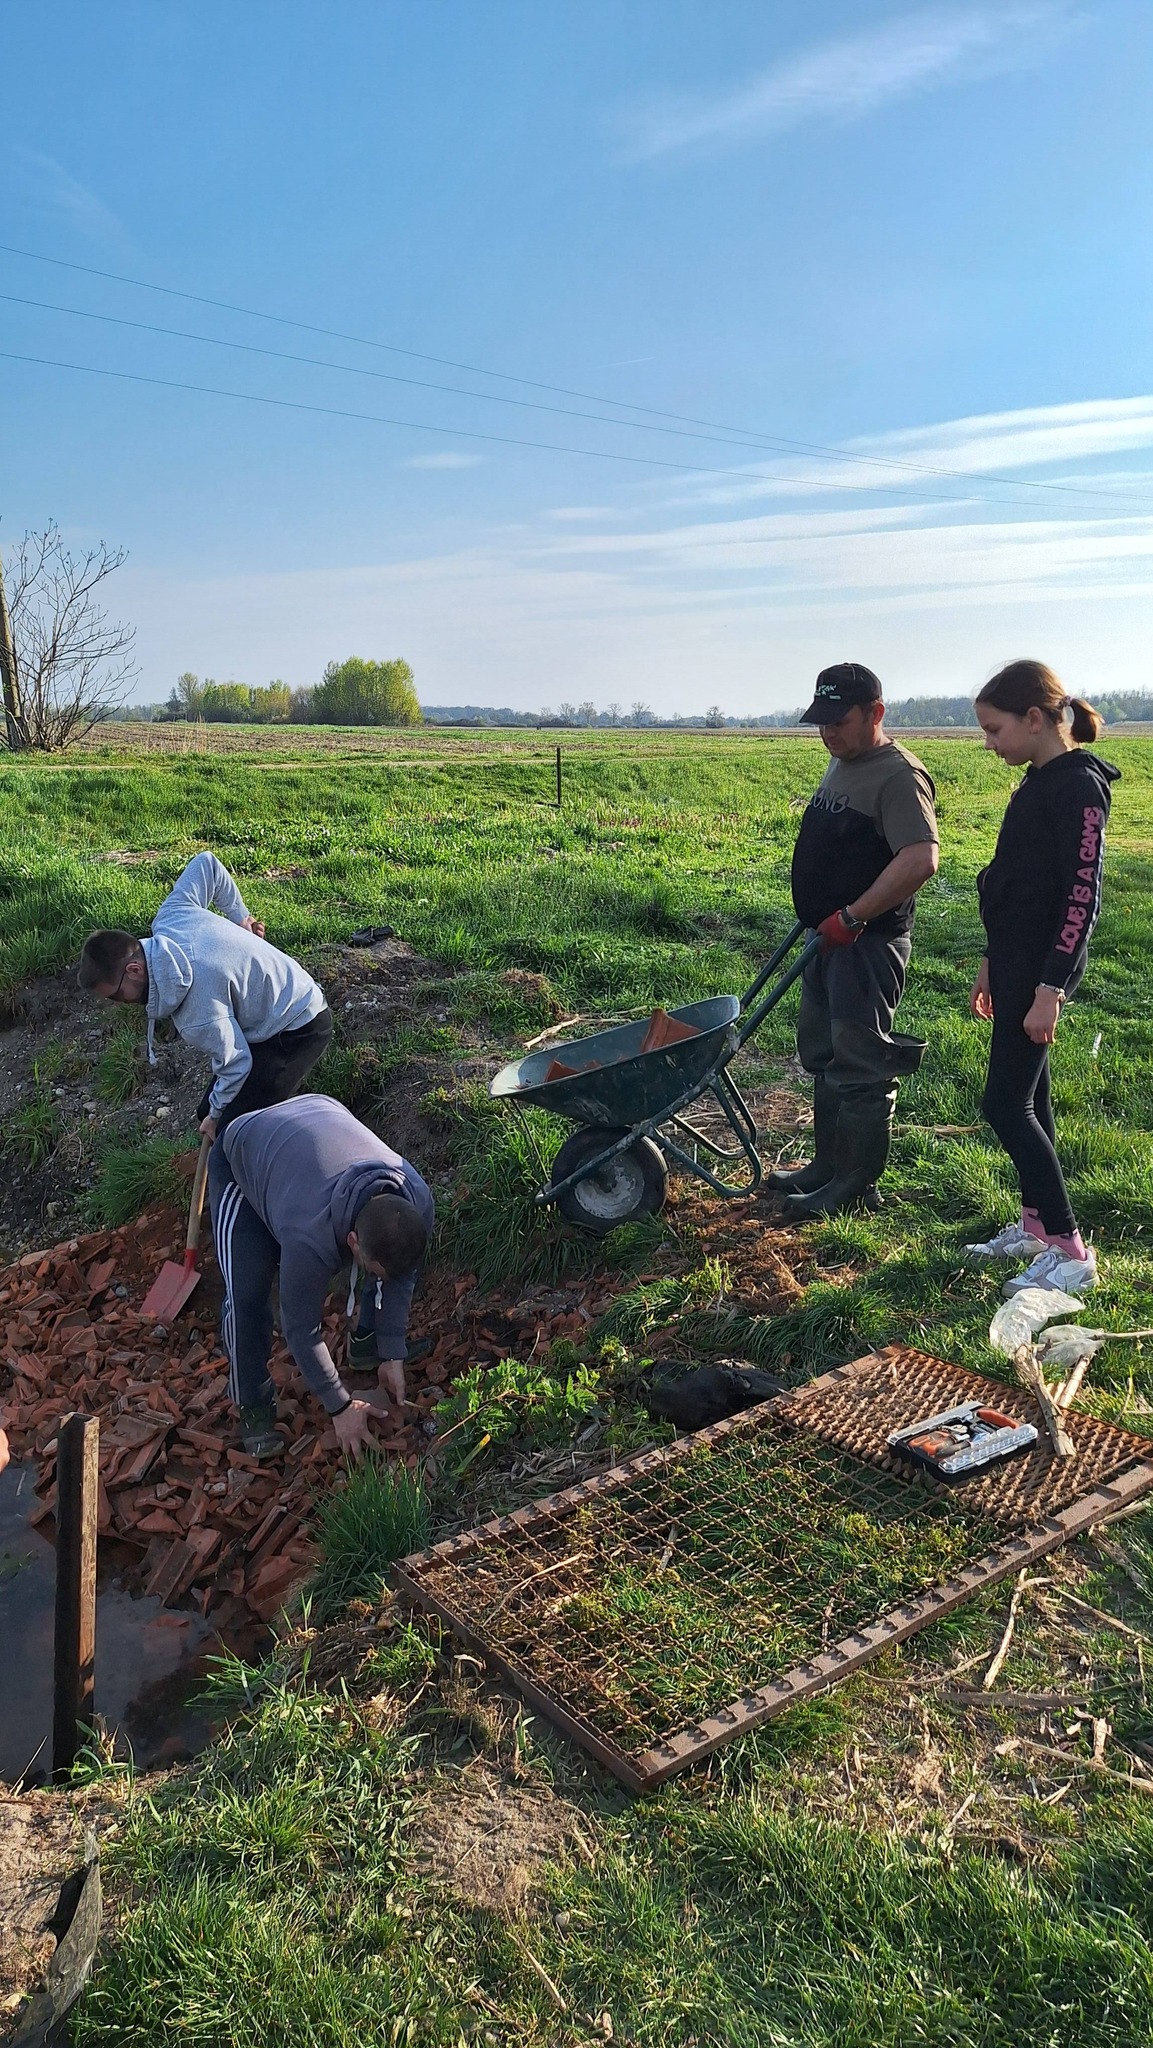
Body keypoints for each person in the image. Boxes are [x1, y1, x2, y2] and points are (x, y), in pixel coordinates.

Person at [964, 660, 1116, 1293]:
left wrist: (1051, 988)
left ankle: (1071, 1250)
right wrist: (992, 960)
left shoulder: (1079, 786)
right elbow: (1015, 882)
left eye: (995, 730)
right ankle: (1035, 1228)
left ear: (1034, 719)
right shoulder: (1037, 779)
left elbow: (1081, 898)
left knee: (1004, 1104)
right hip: (1015, 964)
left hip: (1042, 974)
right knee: (1033, 1100)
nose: (989, 743)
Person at [769, 662, 939, 1217]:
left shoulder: (898, 776)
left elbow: (920, 858)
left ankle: (854, 1187)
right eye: (821, 721)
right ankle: (826, 1168)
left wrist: (856, 915)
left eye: (839, 721)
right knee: (824, 1055)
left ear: (875, 713)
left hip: (866, 944)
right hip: (827, 937)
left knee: (861, 1064)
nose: (827, 733)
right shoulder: (843, 762)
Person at [209, 1093, 435, 1458]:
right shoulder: (308, 1236)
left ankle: (368, 1346)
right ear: (351, 1240)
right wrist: (339, 1407)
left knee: (390, 1262)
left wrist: (393, 1350)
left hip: (316, 1115)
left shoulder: (417, 1200)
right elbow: (301, 1328)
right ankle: (252, 1404)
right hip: (245, 1149)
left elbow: (401, 1276)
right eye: (368, 1264)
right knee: (247, 1293)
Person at [77, 851, 333, 1139]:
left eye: (115, 995)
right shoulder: (172, 916)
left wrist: (217, 1117)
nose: (117, 1003)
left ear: (134, 970)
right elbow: (207, 864)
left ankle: (267, 1168)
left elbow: (236, 1062)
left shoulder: (195, 1014)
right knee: (209, 1113)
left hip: (299, 1025)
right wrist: (241, 919)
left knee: (233, 1132)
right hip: (267, 1014)